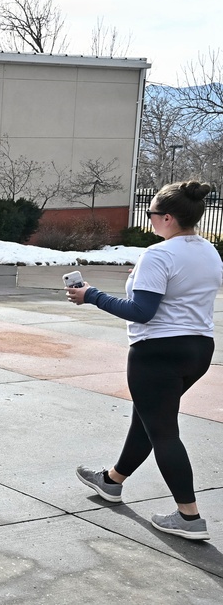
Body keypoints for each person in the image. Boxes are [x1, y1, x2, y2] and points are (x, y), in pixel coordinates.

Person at [68, 181, 221, 541]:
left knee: (163, 430)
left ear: (167, 217)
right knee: (151, 418)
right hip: (199, 350)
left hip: (157, 353)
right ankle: (112, 481)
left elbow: (141, 312)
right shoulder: (210, 252)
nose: (150, 218)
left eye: (152, 213)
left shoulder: (159, 255)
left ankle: (189, 516)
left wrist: (91, 295)